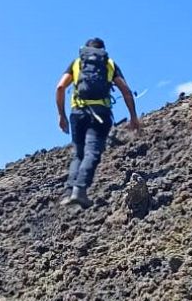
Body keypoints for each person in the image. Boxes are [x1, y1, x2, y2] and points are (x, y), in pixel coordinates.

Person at [55, 38, 140, 207]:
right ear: (104, 50)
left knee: (78, 153)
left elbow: (60, 87)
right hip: (101, 113)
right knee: (92, 151)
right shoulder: (108, 64)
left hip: (78, 113)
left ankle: (69, 192)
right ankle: (80, 191)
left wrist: (61, 115)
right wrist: (133, 117)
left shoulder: (77, 63)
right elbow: (126, 91)